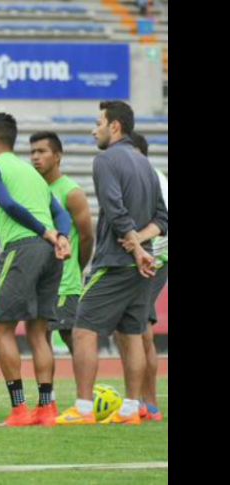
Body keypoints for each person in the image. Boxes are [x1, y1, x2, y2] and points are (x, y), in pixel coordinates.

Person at [55, 101, 167, 426]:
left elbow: (115, 209)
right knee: (132, 333)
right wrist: (142, 246)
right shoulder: (146, 164)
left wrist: (134, 246)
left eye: (98, 123)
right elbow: (163, 219)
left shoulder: (105, 160)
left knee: (83, 329)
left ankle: (83, 408)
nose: (94, 130)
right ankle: (131, 409)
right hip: (142, 265)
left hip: (116, 262)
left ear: (114, 126)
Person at [0, 113, 72, 427]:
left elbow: (7, 205)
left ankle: (19, 410)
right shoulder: (32, 173)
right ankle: (47, 408)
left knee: (2, 329)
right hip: (50, 253)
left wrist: (45, 232)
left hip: (23, 248)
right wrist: (62, 238)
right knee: (38, 331)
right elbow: (61, 214)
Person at [114, 131, 167, 422]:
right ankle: (140, 402)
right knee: (130, 328)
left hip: (153, 259)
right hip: (141, 258)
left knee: (138, 328)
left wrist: (137, 241)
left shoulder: (151, 178)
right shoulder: (142, 177)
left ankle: (148, 403)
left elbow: (163, 221)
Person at [30, 132, 94, 356]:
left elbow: (87, 237)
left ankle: (86, 380)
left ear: (57, 156)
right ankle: (47, 383)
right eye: (32, 152)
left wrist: (75, 267)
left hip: (64, 282)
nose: (35, 157)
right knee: (39, 338)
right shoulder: (32, 191)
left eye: (41, 151)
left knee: (70, 336)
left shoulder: (71, 192)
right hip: (38, 281)